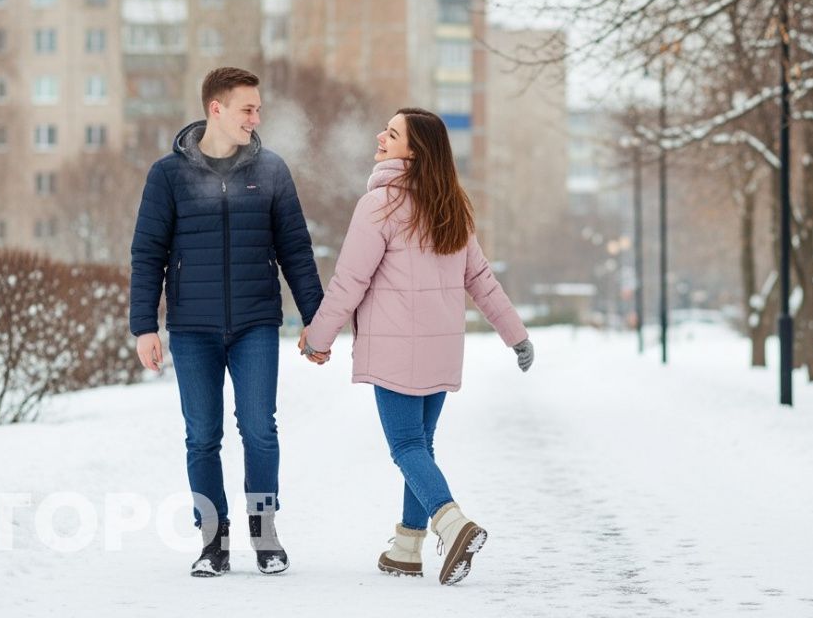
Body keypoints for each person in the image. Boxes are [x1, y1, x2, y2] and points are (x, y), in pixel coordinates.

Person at [299, 107, 534, 586]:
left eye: (391, 133)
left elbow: (349, 282)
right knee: (421, 445)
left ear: (414, 150)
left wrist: (318, 338)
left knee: (406, 446)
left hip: (393, 350)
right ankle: (407, 548)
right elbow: (482, 281)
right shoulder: (452, 205)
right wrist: (517, 335)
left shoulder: (379, 204)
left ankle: (453, 523)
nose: (379, 136)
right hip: (441, 349)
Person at [129, 67, 324, 578]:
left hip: (256, 324)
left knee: (259, 430)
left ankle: (264, 533)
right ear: (216, 108)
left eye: (258, 108)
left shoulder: (273, 171)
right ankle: (213, 542)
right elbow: (147, 253)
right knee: (202, 437)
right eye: (248, 109)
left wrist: (317, 319)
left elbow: (296, 251)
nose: (256, 118)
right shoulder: (168, 175)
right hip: (192, 329)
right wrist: (143, 327)